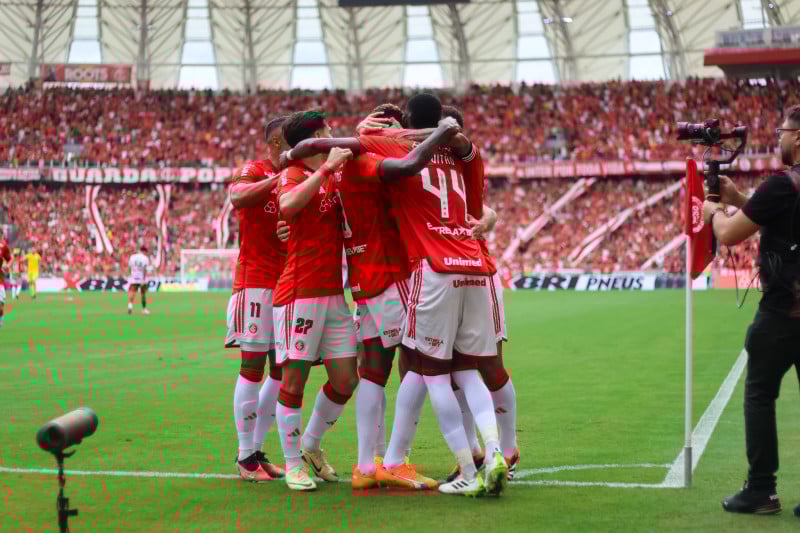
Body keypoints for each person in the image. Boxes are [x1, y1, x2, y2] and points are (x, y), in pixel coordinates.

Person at [272, 110, 459, 492]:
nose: (331, 134)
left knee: (358, 375)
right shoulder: (332, 168)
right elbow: (289, 206)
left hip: (345, 289)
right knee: (418, 363)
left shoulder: (336, 168)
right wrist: (438, 132)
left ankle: (352, 459)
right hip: (339, 285)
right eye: (326, 131)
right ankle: (383, 460)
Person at [703, 105, 800, 516]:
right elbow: (780, 217)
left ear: (798, 137)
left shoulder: (782, 184)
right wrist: (741, 199)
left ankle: (762, 489)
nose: (778, 137)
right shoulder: (784, 190)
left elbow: (728, 232)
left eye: (782, 130)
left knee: (759, 394)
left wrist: (714, 211)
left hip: (782, 313)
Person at [225, 116, 289, 482]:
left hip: (286, 284)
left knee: (281, 370)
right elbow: (237, 196)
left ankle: (255, 450)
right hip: (255, 281)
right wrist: (275, 180)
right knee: (253, 365)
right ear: (277, 142)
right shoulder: (255, 169)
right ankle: (244, 455)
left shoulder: (297, 177)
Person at [127, 246, 151, 315]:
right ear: (144, 251)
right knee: (143, 294)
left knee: (132, 293)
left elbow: (129, 267)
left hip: (134, 277)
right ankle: (144, 309)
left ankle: (130, 307)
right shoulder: (145, 258)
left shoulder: (132, 257)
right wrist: (144, 279)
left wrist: (130, 275)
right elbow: (144, 269)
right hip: (141, 278)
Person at [0, 238, 11, 328]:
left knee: (1, 302)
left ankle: (0, 317)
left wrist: (6, 267)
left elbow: (10, 260)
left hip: (0, 278)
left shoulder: (3, 246)